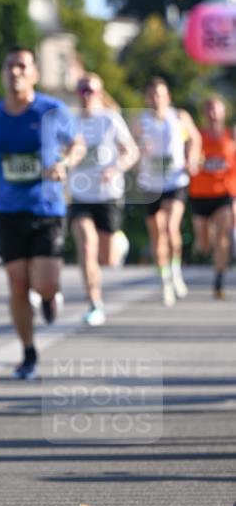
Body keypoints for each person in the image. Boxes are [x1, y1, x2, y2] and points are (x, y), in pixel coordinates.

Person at [0, 47, 84, 381]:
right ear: (3, 72)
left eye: (23, 67)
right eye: (10, 66)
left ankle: (48, 296)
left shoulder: (52, 110)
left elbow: (78, 144)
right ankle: (28, 353)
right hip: (7, 211)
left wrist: (64, 163)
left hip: (47, 209)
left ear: (34, 74)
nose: (15, 72)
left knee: (44, 282)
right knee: (16, 284)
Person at [68, 73, 139, 326]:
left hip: (108, 195)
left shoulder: (110, 120)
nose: (86, 95)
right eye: (82, 90)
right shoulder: (71, 121)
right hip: (80, 197)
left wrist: (115, 168)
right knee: (87, 246)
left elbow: (132, 151)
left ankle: (120, 241)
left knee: (107, 258)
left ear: (99, 93)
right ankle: (94, 303)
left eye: (91, 90)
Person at [133, 77, 201, 307]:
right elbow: (131, 148)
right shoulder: (140, 121)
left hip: (175, 180)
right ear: (146, 98)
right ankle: (164, 280)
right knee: (157, 234)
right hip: (150, 184)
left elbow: (195, 139)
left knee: (171, 228)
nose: (156, 99)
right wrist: (140, 150)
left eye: (160, 95)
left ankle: (175, 270)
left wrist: (191, 157)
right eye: (152, 95)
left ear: (167, 97)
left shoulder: (179, 117)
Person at [189, 96, 236, 299]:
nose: (213, 113)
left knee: (222, 237)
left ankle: (219, 279)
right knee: (205, 244)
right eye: (209, 109)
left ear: (224, 112)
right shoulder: (195, 136)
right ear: (204, 113)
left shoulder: (231, 136)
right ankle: (205, 249)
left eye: (217, 109)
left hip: (224, 193)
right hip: (199, 194)